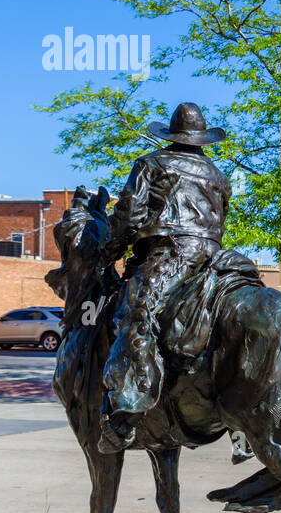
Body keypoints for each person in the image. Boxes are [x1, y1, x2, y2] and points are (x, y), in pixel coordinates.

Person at [97, 103, 232, 454]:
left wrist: (111, 248)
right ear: (201, 137)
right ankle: (238, 420)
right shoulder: (218, 175)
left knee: (134, 316)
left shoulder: (151, 164)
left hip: (170, 255)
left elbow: (129, 214)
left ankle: (127, 412)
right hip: (215, 257)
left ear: (171, 135)